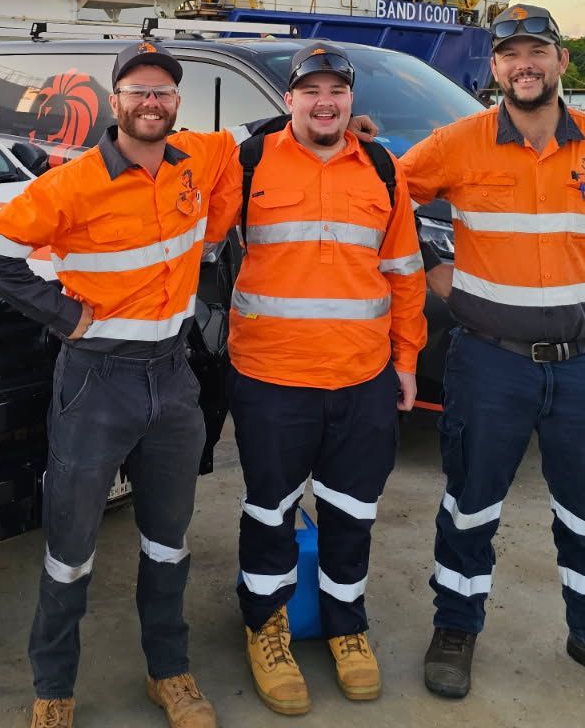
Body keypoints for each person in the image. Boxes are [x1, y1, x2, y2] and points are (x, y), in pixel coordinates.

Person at [398, 4, 585, 707]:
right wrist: (433, 265)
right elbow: (384, 198)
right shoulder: (456, 143)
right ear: (494, 68)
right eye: (509, 54)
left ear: (561, 60)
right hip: (490, 363)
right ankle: (456, 627)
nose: (524, 64)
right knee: (469, 505)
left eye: (537, 51)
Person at [0, 40, 241, 728]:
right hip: (97, 384)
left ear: (177, 103)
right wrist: (65, 316)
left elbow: (245, 150)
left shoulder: (198, 157)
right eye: (139, 92)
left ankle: (169, 673)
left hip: (173, 382)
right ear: (116, 101)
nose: (152, 103)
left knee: (169, 539)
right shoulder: (74, 182)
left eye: (164, 93)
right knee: (70, 544)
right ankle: (54, 685)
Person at [226, 44, 427, 715]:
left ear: (349, 99)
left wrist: (406, 360)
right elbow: (179, 191)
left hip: (361, 376)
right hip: (270, 375)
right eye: (309, 90)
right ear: (288, 100)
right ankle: (266, 625)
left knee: (351, 513)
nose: (323, 102)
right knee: (270, 511)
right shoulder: (248, 163)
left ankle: (347, 625)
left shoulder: (381, 167)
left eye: (335, 90)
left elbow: (404, 274)